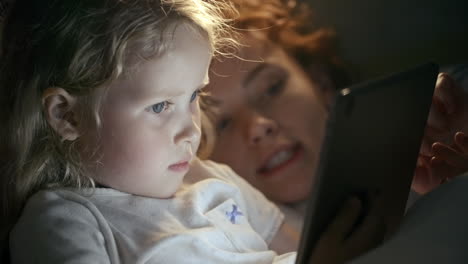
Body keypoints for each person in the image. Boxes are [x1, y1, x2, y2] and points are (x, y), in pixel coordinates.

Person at [0, 0, 385, 263]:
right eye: (160, 106)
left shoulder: (215, 178)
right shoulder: (66, 219)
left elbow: (306, 247)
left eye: (194, 96)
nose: (191, 129)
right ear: (68, 116)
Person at [203, 0, 468, 230]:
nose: (257, 127)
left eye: (271, 88)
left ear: (319, 81)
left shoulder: (439, 110)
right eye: (221, 124)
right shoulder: (213, 240)